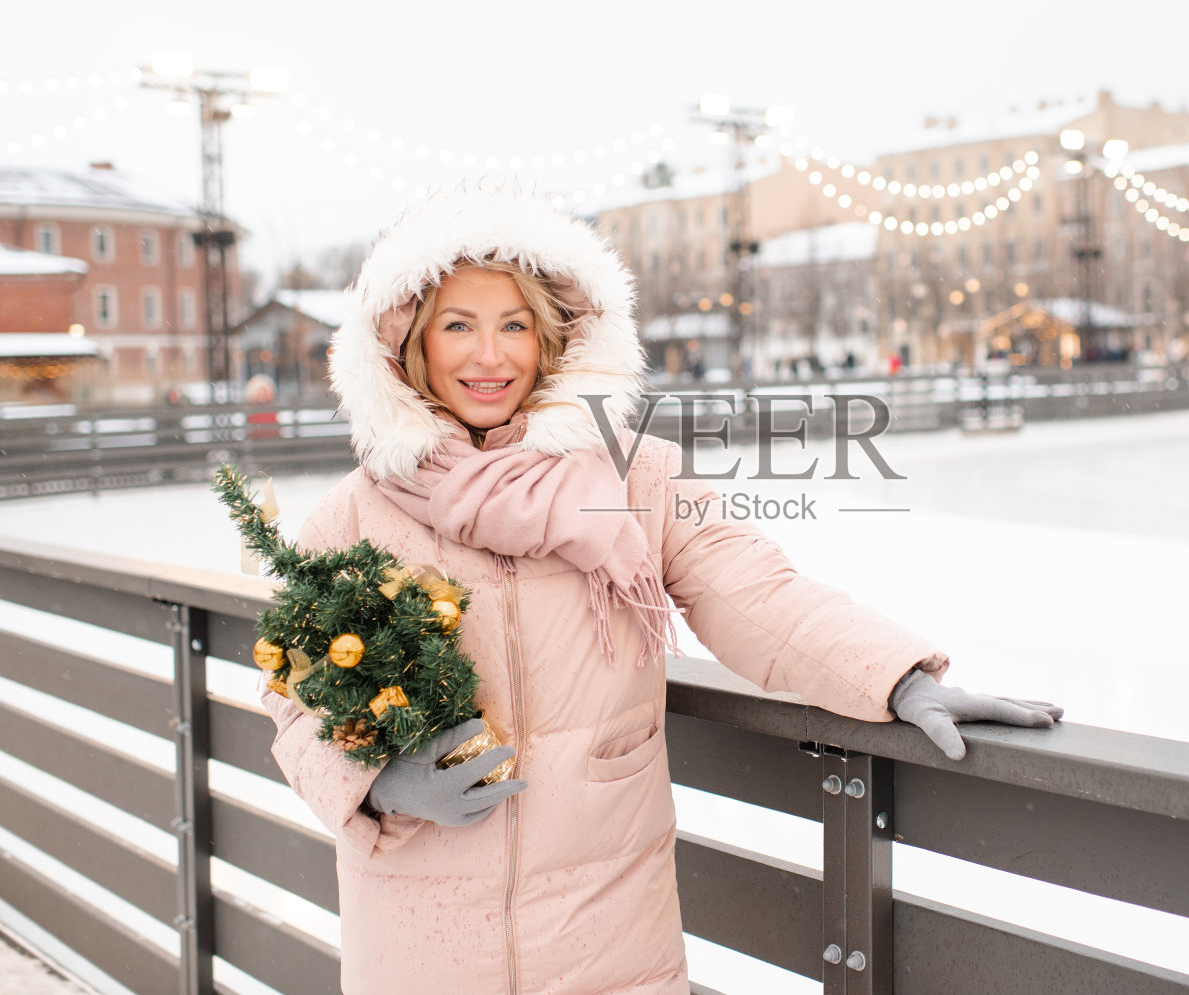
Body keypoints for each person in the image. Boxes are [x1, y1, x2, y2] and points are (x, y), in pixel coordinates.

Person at [260, 186, 1062, 995]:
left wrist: (897, 676)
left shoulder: (634, 477)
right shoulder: (353, 515)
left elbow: (754, 593)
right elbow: (293, 694)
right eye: (458, 326)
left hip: (605, 933)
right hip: (420, 940)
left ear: (555, 340)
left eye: (515, 325)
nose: (489, 356)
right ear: (410, 348)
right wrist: (377, 782)